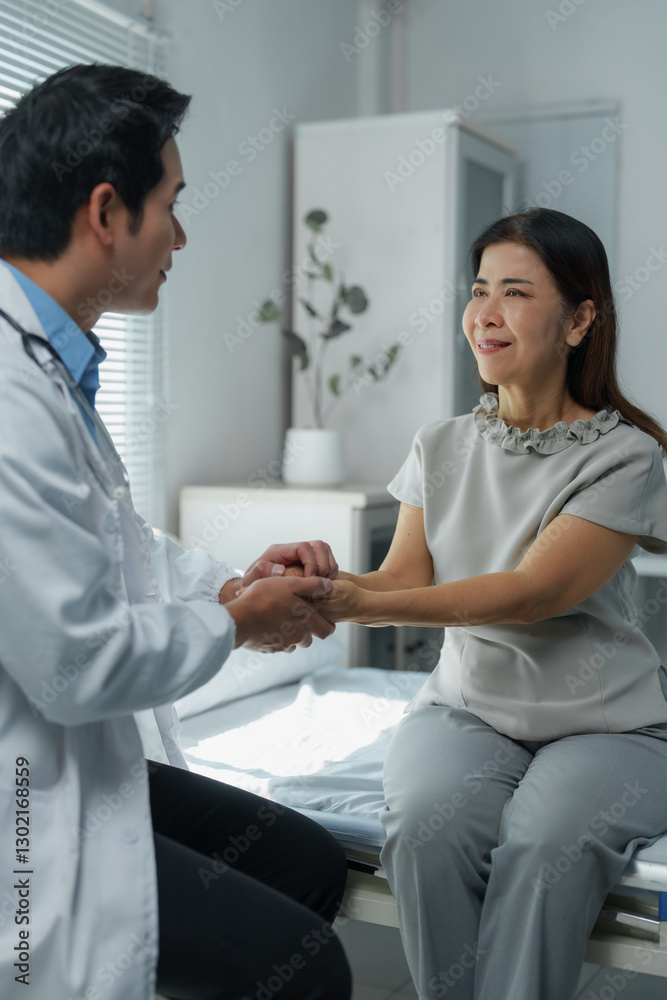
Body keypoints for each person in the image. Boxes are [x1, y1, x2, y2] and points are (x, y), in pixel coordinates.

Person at [0, 65, 352, 1000]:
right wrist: (239, 623)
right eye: (173, 205)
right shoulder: (8, 389)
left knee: (308, 861)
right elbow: (78, 666)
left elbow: (117, 546)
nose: (181, 237)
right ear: (106, 212)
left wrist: (230, 585)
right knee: (306, 968)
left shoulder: (48, 363)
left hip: (68, 756)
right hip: (24, 805)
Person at [314, 208, 667, 1000]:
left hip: (605, 726)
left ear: (580, 320)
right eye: (479, 290)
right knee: (421, 833)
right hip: (466, 712)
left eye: (515, 291)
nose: (485, 312)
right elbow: (400, 576)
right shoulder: (440, 444)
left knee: (545, 843)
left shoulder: (625, 455)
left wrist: (351, 608)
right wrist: (313, 591)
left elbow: (532, 593)